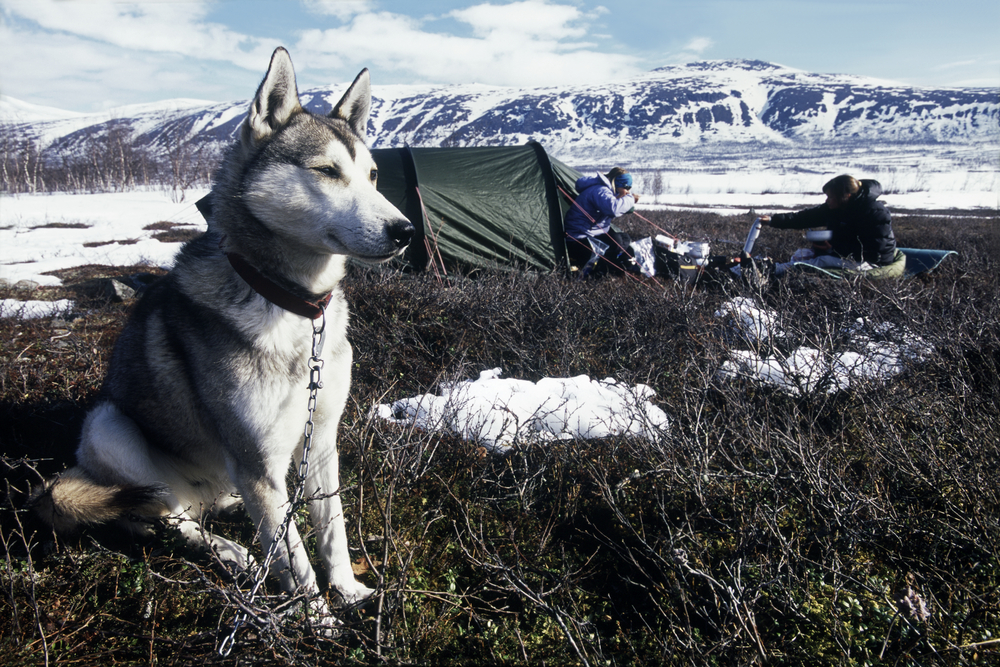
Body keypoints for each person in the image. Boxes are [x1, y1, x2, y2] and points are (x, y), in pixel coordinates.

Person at [759, 174, 897, 276]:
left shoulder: (875, 212)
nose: (828, 200)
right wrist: (773, 220)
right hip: (845, 254)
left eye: (831, 197)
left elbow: (874, 251)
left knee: (821, 261)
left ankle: (771, 272)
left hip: (872, 262)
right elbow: (805, 217)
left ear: (846, 196)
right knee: (801, 255)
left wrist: (833, 249)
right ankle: (773, 272)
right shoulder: (836, 207)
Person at [564, 167, 640, 275]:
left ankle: (608, 267)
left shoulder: (605, 190)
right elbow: (613, 208)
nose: (628, 191)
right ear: (617, 184)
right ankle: (599, 271)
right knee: (616, 242)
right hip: (578, 237)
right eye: (626, 187)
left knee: (624, 238)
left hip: (591, 232)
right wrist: (630, 198)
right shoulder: (601, 190)